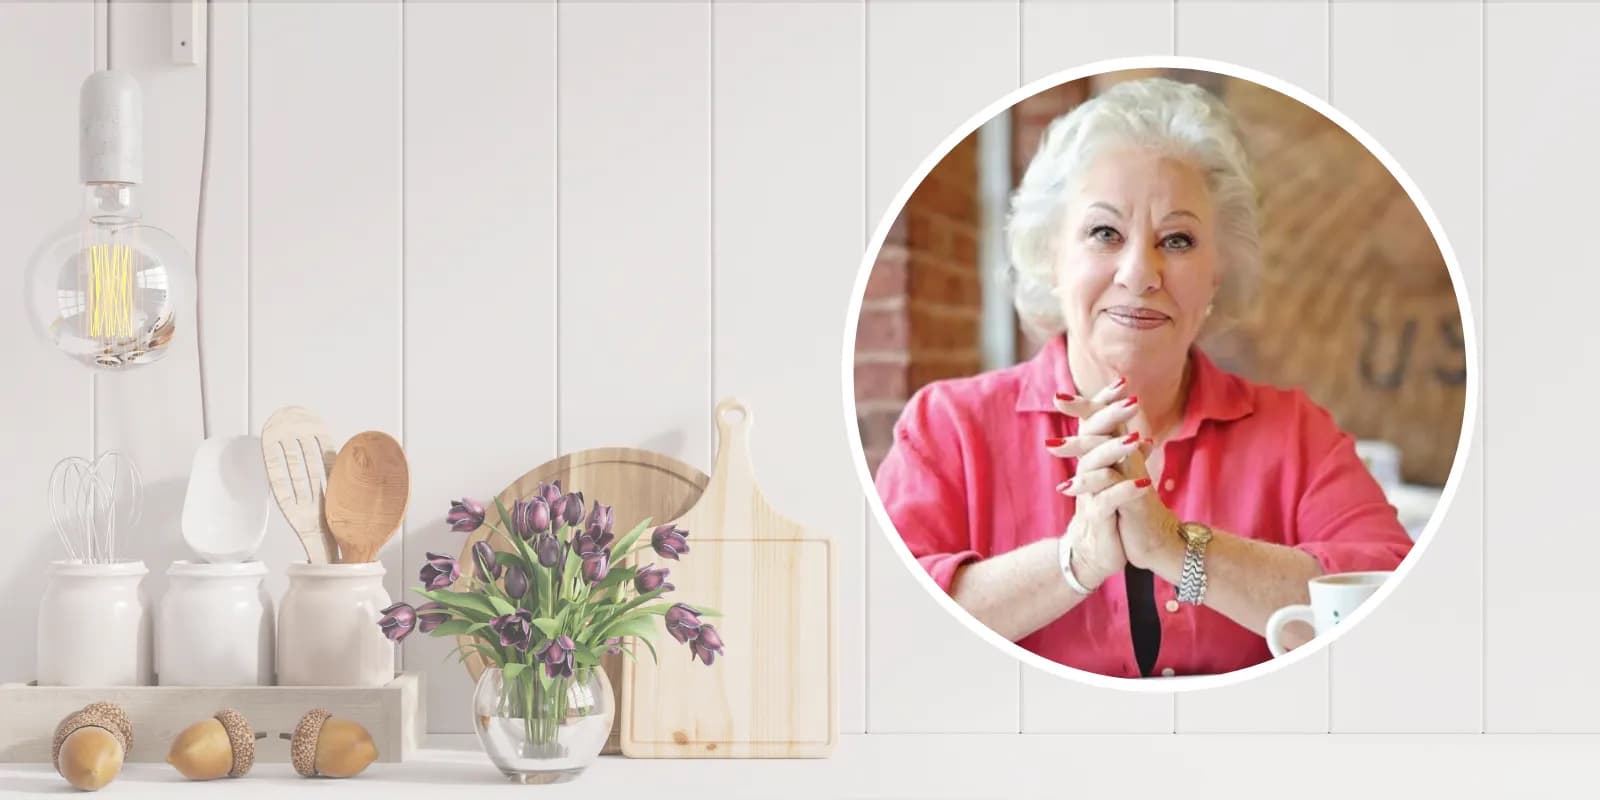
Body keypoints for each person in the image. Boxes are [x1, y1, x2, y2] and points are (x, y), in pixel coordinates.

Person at [874, 77, 1414, 678]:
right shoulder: (947, 427)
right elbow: (888, 628)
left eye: (1177, 240)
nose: (1140, 273)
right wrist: (1073, 561)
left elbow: (1396, 599)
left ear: (1216, 278)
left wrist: (1176, 548)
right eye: (1105, 233)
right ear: (1051, 255)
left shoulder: (1295, 432)